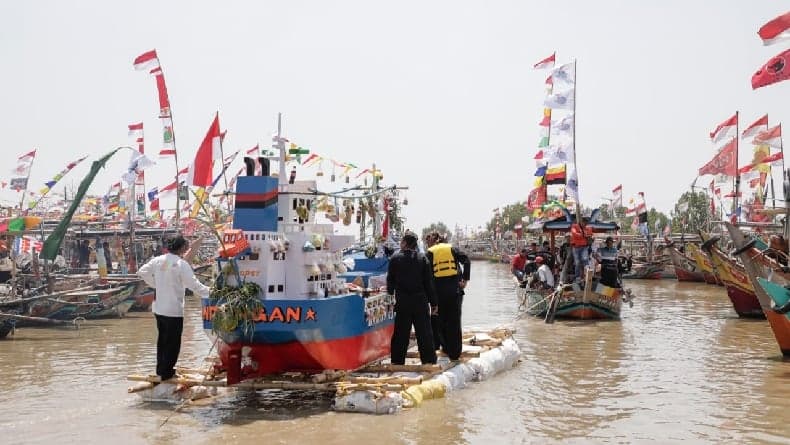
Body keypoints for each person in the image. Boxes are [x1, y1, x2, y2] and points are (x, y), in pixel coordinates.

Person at [137, 235, 211, 382]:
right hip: (173, 310)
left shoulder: (158, 260)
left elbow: (142, 271)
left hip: (159, 309)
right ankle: (167, 373)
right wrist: (212, 292)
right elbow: (194, 285)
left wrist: (155, 284)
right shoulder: (181, 264)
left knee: (162, 340)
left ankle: (161, 370)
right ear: (182, 248)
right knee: (173, 342)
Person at [386, 232, 437, 365]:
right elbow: (428, 283)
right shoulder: (423, 259)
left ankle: (397, 362)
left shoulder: (395, 258)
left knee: (401, 334)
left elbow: (390, 281)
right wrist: (434, 303)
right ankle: (429, 361)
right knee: (424, 333)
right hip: (420, 302)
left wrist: (390, 297)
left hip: (402, 302)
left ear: (404, 243)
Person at [425, 232, 471, 361]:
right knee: (454, 322)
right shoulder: (452, 249)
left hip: (438, 294)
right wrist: (465, 280)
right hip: (454, 292)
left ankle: (444, 347)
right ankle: (455, 353)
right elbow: (467, 260)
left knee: (440, 322)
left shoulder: (429, 253)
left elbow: (425, 274)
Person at [570, 216, 593, 282]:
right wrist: (583, 235)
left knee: (585, 259)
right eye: (584, 223)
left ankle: (587, 275)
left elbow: (590, 235)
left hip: (584, 247)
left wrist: (582, 235)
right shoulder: (574, 226)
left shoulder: (588, 228)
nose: (585, 225)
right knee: (577, 263)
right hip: (576, 247)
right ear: (581, 222)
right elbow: (574, 234)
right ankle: (577, 277)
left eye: (586, 224)